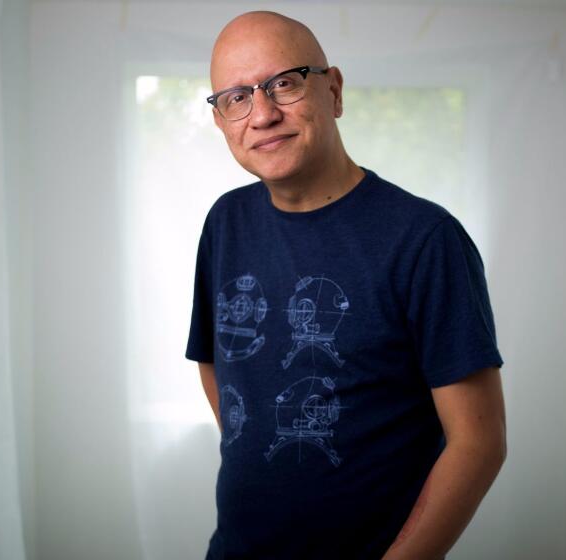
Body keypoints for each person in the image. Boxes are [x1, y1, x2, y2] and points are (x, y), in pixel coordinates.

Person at [185, 10, 507, 560]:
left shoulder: (425, 239)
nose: (261, 114)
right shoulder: (225, 222)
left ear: (332, 90)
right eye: (236, 97)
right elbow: (216, 361)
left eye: (283, 83)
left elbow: (478, 444)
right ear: (220, 120)